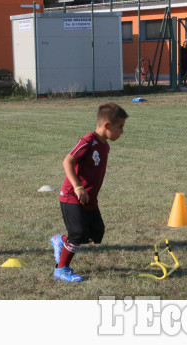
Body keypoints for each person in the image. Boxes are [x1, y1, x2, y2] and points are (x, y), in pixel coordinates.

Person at [50, 102, 128, 282]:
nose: (122, 132)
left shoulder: (105, 145)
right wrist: (78, 187)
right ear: (107, 125)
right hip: (72, 195)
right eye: (120, 127)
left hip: (90, 198)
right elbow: (67, 162)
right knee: (78, 234)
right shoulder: (87, 142)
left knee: (96, 234)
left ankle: (61, 240)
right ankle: (61, 269)